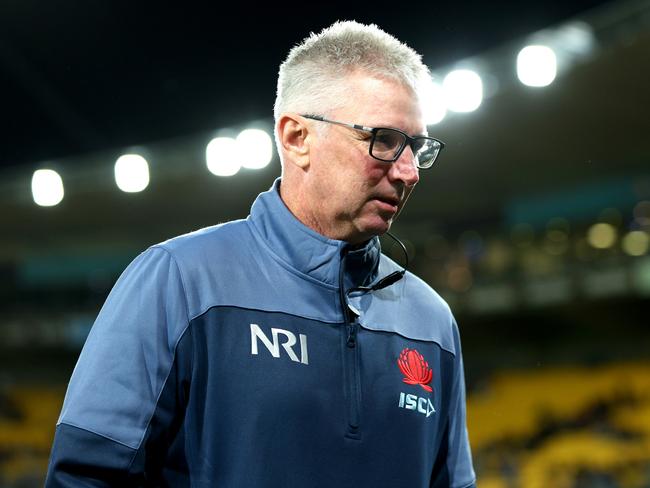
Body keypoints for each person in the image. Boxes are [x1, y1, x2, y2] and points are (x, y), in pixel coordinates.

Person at [46, 21, 475, 488]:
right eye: (386, 141)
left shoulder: (432, 321)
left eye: (417, 147)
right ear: (297, 138)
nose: (410, 172)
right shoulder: (181, 281)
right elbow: (87, 476)